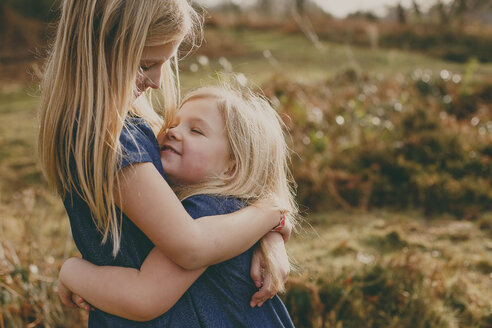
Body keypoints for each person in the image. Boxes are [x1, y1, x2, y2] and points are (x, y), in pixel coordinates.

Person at [38, 1, 290, 326]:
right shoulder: (110, 142)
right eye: (146, 64)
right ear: (102, 48)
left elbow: (219, 204)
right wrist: (272, 213)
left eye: (164, 63)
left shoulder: (125, 129)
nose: (157, 81)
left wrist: (272, 230)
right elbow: (191, 246)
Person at [58, 85, 298, 326]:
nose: (173, 132)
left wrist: (72, 271)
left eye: (196, 131)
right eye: (172, 124)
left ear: (232, 167)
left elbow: (144, 296)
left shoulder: (207, 210)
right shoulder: (230, 211)